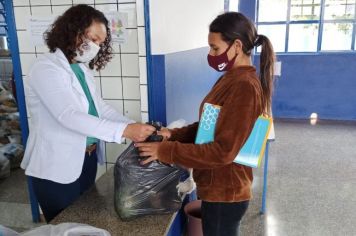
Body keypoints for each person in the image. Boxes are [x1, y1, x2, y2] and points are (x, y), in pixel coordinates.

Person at [135, 12, 275, 236]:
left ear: (237, 46)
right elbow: (209, 126)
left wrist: (165, 151)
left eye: (215, 48)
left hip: (226, 193)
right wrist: (172, 134)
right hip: (216, 188)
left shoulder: (244, 87)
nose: (210, 54)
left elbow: (223, 152)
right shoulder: (230, 78)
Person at [20, 4, 155, 223]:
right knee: (65, 226)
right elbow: (68, 115)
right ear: (73, 31)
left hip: (86, 159)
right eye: (93, 39)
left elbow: (99, 108)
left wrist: (134, 126)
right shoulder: (46, 68)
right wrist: (125, 131)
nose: (96, 47)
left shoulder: (81, 69)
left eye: (100, 43)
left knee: (83, 221)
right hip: (56, 167)